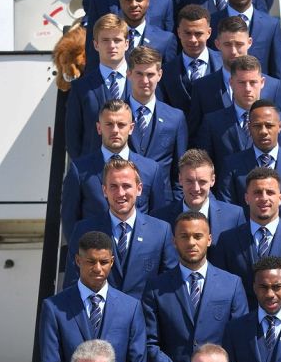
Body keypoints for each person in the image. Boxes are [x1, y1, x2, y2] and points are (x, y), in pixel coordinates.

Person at [142, 211, 248, 362]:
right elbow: (148, 343)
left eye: (198, 236)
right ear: (174, 241)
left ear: (209, 239)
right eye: (184, 236)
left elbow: (239, 341)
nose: (191, 242)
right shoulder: (156, 287)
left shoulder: (231, 284)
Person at [40, 231, 146, 362]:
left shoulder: (131, 308)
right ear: (78, 260)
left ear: (112, 262)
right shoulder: (54, 308)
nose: (97, 268)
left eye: (104, 262)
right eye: (90, 261)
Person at [212, 167, 281, 312]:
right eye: (257, 192)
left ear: (280, 198)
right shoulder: (228, 240)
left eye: (270, 192)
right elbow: (220, 292)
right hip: (241, 329)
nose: (264, 198)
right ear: (246, 198)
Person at [64, 158, 177, 295]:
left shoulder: (161, 231)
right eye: (113, 186)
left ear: (139, 189)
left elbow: (169, 288)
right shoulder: (84, 230)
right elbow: (72, 286)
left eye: (126, 186)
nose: (120, 193)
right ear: (104, 191)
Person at [62, 100, 167, 240]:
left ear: (131, 128)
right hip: (95, 257)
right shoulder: (79, 170)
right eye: (109, 124)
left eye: (121, 125)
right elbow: (70, 222)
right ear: (99, 128)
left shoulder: (151, 170)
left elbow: (158, 220)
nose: (115, 130)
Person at [217, 99, 281, 232]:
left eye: (269, 125)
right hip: (243, 247)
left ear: (280, 126)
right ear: (249, 127)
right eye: (257, 126)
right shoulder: (232, 165)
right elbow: (227, 211)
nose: (263, 131)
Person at [195, 56, 281, 176]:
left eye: (253, 82)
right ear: (231, 83)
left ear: (262, 82)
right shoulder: (213, 123)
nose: (247, 89)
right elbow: (203, 170)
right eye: (242, 83)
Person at [188, 16, 281, 136]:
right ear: (217, 44)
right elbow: (196, 134)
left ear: (249, 43)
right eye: (228, 44)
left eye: (239, 44)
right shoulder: (202, 87)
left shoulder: (273, 86)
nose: (234, 51)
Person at [154, 148, 245, 257]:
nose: (196, 188)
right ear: (180, 179)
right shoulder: (160, 218)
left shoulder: (234, 216)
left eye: (202, 182)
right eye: (189, 181)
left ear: (212, 180)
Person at [210, 0, 281, 84]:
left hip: (261, 98)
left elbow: (279, 74)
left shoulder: (271, 26)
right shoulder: (213, 23)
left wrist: (279, 103)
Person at [65, 14, 130, 159]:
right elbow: (73, 137)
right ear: (95, 44)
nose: (112, 45)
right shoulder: (80, 88)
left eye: (117, 40)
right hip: (93, 174)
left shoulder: (143, 82)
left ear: (126, 44)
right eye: (105, 40)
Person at [126, 45, 188, 198]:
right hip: (122, 198)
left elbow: (179, 172)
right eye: (139, 74)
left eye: (150, 74)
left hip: (162, 203)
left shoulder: (175, 118)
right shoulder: (115, 116)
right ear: (129, 74)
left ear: (160, 75)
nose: (145, 80)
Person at [158, 4, 223, 115]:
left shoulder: (225, 64)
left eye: (198, 34)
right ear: (178, 32)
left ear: (209, 32)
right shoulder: (166, 71)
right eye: (187, 33)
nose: (192, 40)